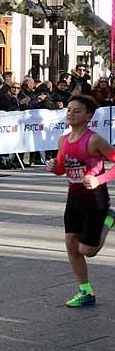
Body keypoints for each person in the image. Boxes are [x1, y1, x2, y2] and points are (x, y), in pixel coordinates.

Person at [46, 95, 115, 308]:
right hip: (74, 197)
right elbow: (61, 168)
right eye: (69, 110)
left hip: (95, 199)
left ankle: (109, 219)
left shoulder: (94, 140)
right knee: (71, 244)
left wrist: (99, 179)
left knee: (88, 251)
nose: (70, 114)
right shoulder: (63, 140)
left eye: (77, 111)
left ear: (88, 116)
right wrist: (54, 167)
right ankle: (85, 291)